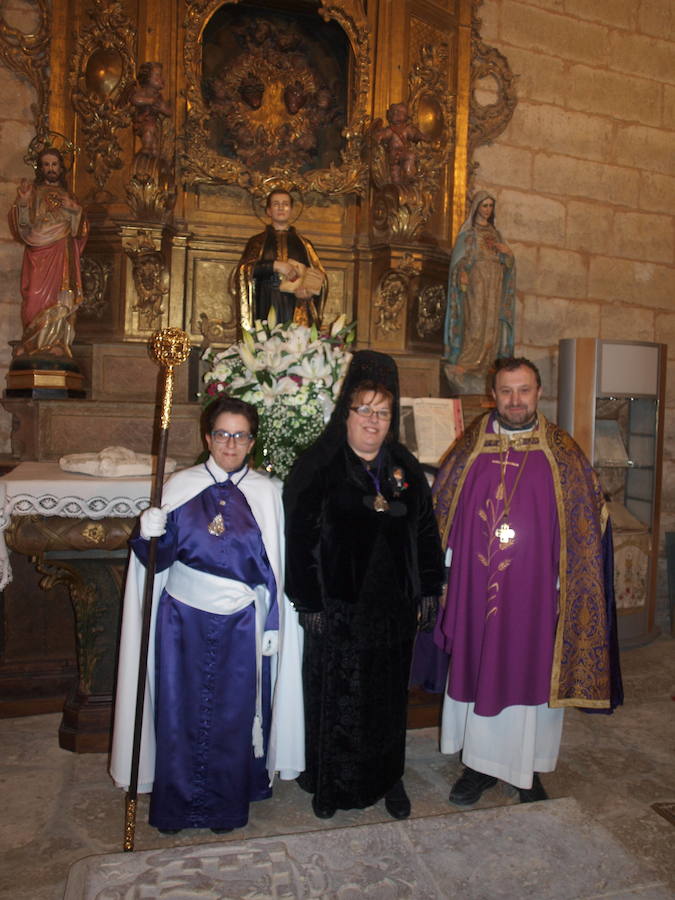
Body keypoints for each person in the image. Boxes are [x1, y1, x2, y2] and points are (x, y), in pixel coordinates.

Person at [432, 357, 622, 806]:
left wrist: (566, 585)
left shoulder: (563, 453)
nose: (515, 401)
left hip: (537, 594)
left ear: (539, 393)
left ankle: (526, 769)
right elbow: (442, 513)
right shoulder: (470, 449)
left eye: (524, 391)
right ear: (492, 394)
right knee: (479, 665)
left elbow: (586, 523)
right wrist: (444, 579)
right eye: (506, 391)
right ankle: (477, 767)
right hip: (476, 592)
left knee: (530, 671)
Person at [109, 395, 304, 834]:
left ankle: (224, 807)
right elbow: (155, 564)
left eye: (241, 436)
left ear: (252, 442)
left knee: (234, 718)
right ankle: (177, 807)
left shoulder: (267, 494)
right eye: (222, 434)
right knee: (179, 714)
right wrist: (147, 535)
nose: (230, 444)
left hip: (240, 624)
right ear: (207, 437)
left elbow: (274, 568)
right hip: (182, 621)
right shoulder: (181, 487)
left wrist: (272, 623)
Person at [284, 350, 445, 820]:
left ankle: (388, 777)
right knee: (336, 700)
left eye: (383, 412)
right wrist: (310, 600)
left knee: (388, 701)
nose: (373, 421)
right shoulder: (319, 465)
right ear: (346, 413)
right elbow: (300, 538)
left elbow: (426, 532)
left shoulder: (404, 466)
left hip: (393, 611)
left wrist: (430, 587)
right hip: (338, 609)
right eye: (364, 410)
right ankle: (329, 785)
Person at [8, 147, 88, 357]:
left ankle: (57, 343)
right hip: (38, 252)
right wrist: (23, 201)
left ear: (60, 168)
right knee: (33, 297)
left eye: (54, 164)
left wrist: (75, 210)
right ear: (40, 168)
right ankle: (31, 342)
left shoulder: (69, 196)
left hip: (62, 252)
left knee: (60, 300)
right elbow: (23, 226)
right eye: (46, 165)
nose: (50, 168)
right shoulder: (33, 192)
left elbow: (80, 231)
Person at [232, 189, 326, 329]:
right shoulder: (257, 242)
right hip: (266, 299)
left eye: (285, 204)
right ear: (269, 211)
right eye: (276, 204)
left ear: (291, 209)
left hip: (296, 303)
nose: (281, 207)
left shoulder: (304, 244)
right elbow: (244, 271)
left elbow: (318, 276)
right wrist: (275, 265)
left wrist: (309, 292)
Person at [443, 191, 515, 371]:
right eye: (485, 205)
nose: (488, 210)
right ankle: (467, 361)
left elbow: (508, 263)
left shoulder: (496, 234)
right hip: (477, 279)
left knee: (491, 323)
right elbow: (459, 260)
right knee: (475, 320)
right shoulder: (469, 233)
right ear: (476, 208)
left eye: (491, 206)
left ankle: (488, 363)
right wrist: (462, 271)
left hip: (495, 281)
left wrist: (508, 254)